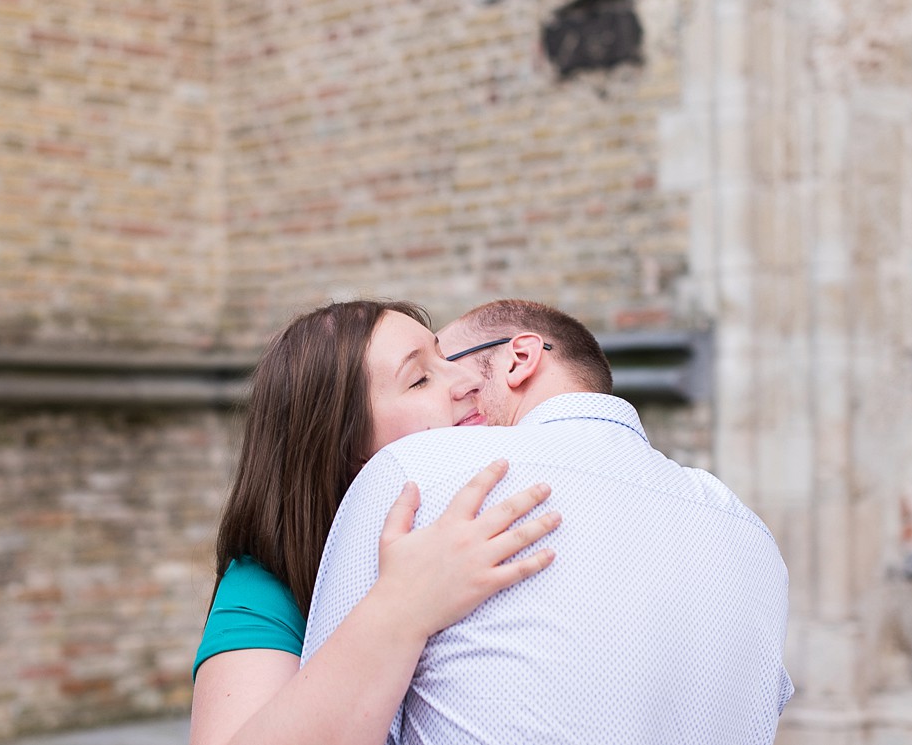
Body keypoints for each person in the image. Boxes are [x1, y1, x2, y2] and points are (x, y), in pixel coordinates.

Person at [303, 299, 793, 744]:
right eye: (421, 378)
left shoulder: (419, 475)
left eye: (447, 364)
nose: (459, 389)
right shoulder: (749, 533)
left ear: (520, 358)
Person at [190, 300, 563, 745]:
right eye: (421, 378)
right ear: (345, 447)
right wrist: (402, 606)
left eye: (445, 359)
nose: (469, 379)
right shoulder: (265, 590)